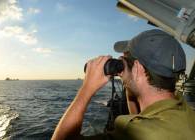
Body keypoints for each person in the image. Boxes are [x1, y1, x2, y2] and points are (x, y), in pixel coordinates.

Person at [51, 29, 195, 140]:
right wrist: (131, 81)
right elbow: (141, 116)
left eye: (123, 60)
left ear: (138, 69)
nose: (120, 68)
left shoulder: (136, 133)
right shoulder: (185, 111)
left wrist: (87, 89)